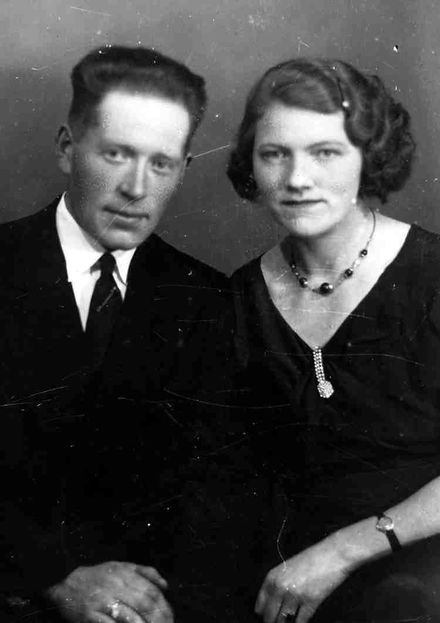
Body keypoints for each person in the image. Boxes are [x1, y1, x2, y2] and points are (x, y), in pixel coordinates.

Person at [0, 45, 237, 623]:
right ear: (67, 148)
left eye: (161, 164)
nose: (136, 187)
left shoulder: (207, 298)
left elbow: (216, 493)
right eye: (117, 154)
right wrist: (54, 576)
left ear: (184, 169)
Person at [228, 57, 440, 623]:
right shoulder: (241, 296)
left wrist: (342, 552)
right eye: (275, 154)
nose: (298, 179)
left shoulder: (433, 277)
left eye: (325, 153)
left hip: (419, 566)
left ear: (369, 157)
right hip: (286, 569)